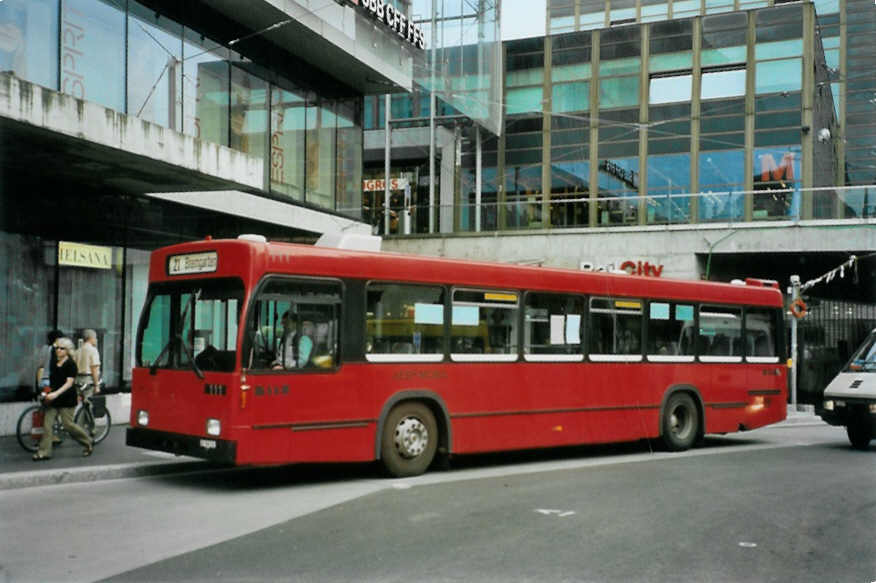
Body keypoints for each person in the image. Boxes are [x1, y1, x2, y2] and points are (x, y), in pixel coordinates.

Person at [32, 337, 93, 461]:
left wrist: (56, 394)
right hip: (54, 398)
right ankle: (44, 452)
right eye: (57, 348)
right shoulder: (54, 362)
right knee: (47, 425)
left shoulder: (71, 364)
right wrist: (47, 391)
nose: (58, 350)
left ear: (68, 351)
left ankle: (87, 442)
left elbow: (69, 383)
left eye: (62, 348)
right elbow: (52, 379)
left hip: (66, 398)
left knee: (68, 425)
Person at [35, 329, 63, 394]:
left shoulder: (44, 348)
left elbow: (40, 364)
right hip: (54, 382)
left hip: (44, 380)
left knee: (47, 397)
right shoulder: (59, 350)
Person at [74, 329, 101, 397]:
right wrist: (96, 385)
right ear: (91, 338)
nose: (96, 340)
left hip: (77, 380)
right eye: (95, 338)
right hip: (88, 380)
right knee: (89, 403)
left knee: (79, 403)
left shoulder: (77, 351)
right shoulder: (93, 350)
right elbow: (94, 368)